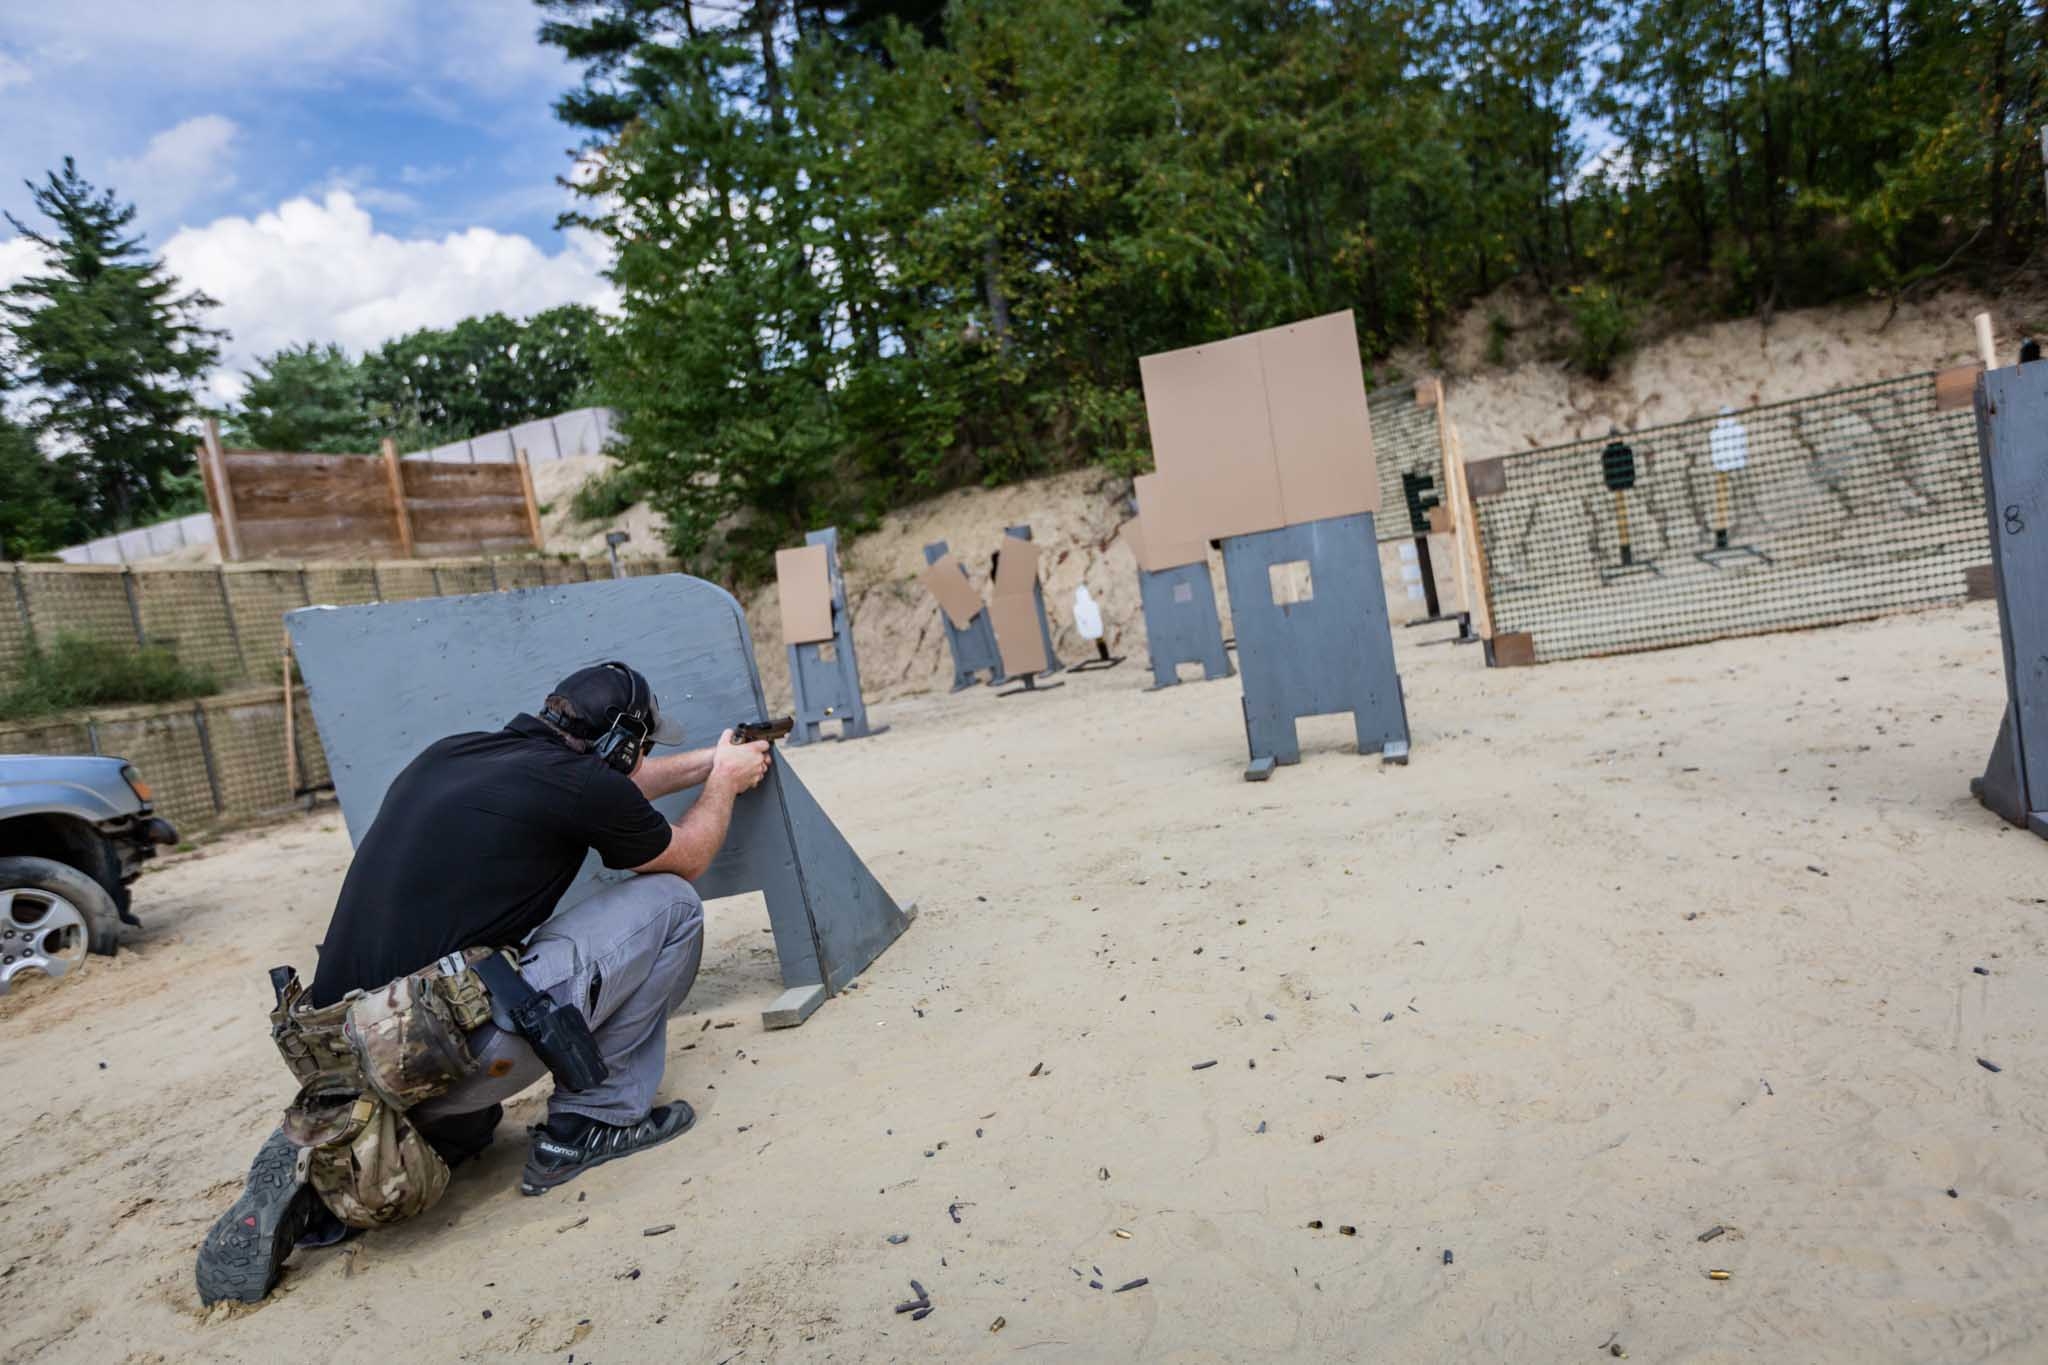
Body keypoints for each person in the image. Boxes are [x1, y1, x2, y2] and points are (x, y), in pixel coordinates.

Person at [195, 662, 772, 1304]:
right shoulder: (580, 784)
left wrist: (711, 760)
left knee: (470, 1115)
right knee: (670, 903)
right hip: (445, 1054)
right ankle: (593, 1123)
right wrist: (721, 785)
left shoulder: (456, 754)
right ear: (623, 743)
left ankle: (355, 1148)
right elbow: (686, 854)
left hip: (357, 1049)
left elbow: (611, 787)